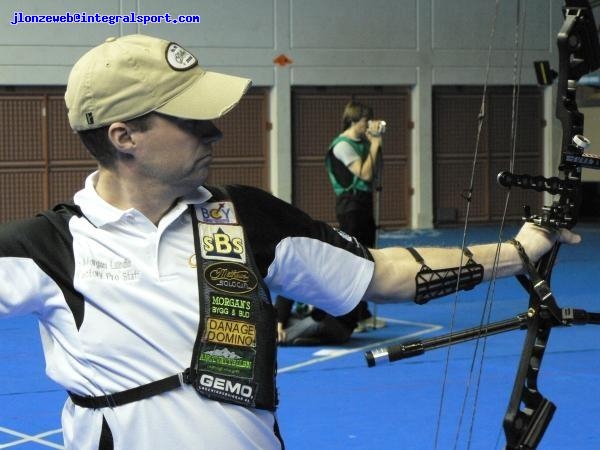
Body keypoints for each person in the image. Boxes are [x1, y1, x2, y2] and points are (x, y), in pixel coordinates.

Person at [0, 34, 580, 450]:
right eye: (191, 120)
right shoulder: (48, 248)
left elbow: (380, 275)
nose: (215, 131)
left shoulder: (244, 216)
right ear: (124, 136)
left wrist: (520, 251)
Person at [325, 101, 386, 330]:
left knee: (368, 258)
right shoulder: (342, 146)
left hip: (365, 204)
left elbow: (376, 170)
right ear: (353, 121)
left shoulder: (363, 142)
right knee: (353, 259)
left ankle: (363, 312)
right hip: (350, 206)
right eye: (364, 122)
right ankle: (351, 314)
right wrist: (376, 143)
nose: (368, 126)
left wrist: (375, 144)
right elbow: (365, 173)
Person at [275, 295, 355, 345]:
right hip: (311, 317)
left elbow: (320, 317)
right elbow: (285, 296)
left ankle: (275, 338)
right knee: (279, 317)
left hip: (336, 325)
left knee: (315, 323)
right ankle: (279, 333)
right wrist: (279, 325)